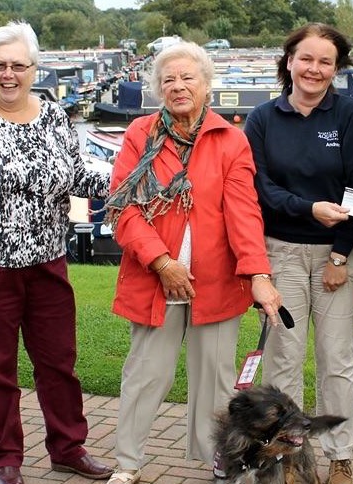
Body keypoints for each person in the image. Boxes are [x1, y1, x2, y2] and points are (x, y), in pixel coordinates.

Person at [0, 21, 113, 484]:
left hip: (47, 263)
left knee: (58, 362)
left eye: (18, 65)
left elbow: (76, 177)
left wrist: (127, 180)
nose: (8, 74)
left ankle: (68, 447)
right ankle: (8, 458)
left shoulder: (54, 117)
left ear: (35, 69)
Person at [102, 41, 281, 484]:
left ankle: (219, 461)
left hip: (217, 283)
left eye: (188, 78)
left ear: (206, 84)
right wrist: (162, 262)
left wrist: (258, 274)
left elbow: (243, 213)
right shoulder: (139, 134)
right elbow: (123, 208)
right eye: (168, 79)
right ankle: (128, 463)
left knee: (217, 384)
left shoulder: (230, 139)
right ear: (157, 88)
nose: (178, 86)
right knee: (145, 376)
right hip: (154, 280)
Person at [243, 23, 353, 484]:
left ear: (336, 68)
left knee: (337, 361)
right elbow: (260, 188)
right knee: (284, 361)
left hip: (337, 256)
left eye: (325, 61)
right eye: (306, 58)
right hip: (280, 254)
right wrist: (306, 209)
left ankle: (341, 457)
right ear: (289, 61)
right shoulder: (262, 118)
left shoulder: (351, 115)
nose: (314, 69)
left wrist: (341, 255)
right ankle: (292, 460)